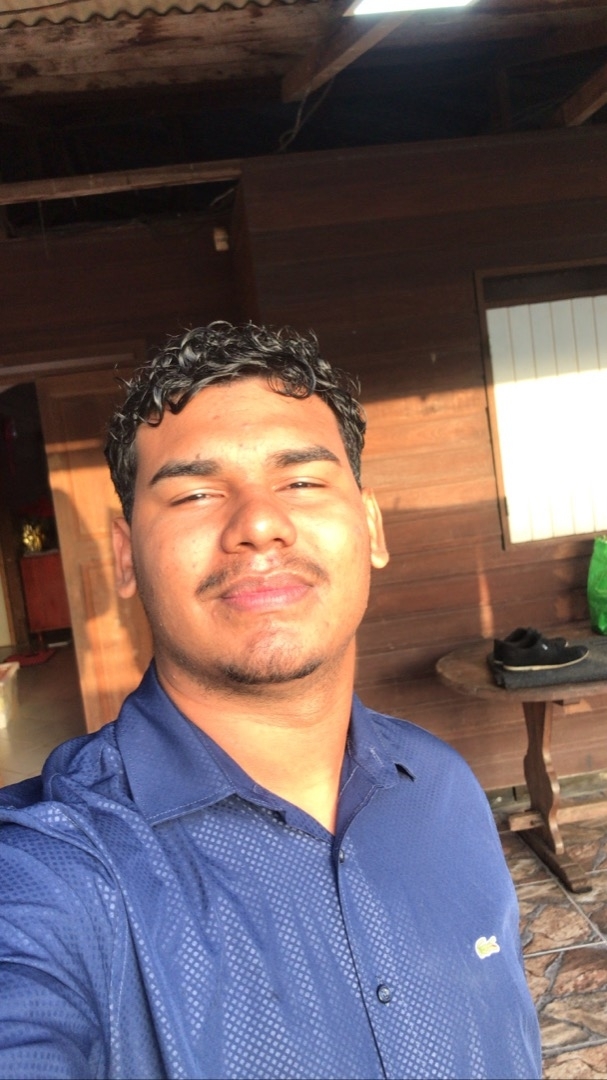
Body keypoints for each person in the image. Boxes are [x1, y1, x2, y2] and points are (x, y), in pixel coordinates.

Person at [0, 322, 541, 1080]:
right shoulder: (51, 871)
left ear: (370, 527)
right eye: (195, 492)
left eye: (302, 482)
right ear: (125, 556)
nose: (258, 523)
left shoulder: (443, 786)